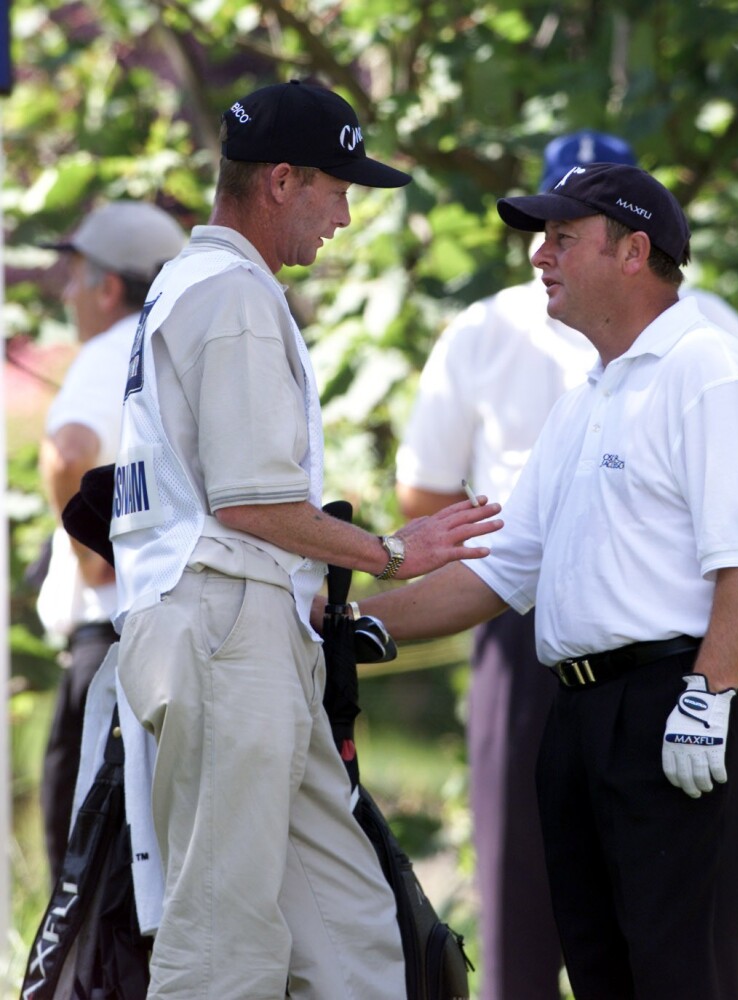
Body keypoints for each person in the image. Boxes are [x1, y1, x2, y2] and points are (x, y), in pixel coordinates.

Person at [346, 162, 738, 1000]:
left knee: (681, 977)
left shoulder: (710, 370)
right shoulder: (589, 396)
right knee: (602, 976)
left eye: (561, 238)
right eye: (537, 238)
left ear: (634, 252)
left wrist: (709, 698)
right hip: (583, 716)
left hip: (682, 704)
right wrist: (346, 627)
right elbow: (506, 571)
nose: (536, 257)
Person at [108, 80, 502, 1000]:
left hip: (234, 632)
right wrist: (393, 554)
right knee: (224, 949)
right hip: (226, 634)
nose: (345, 215)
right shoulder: (236, 295)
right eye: (338, 188)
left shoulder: (191, 282)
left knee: (355, 939)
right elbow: (251, 505)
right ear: (281, 180)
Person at [36, 201, 186, 883]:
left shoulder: (111, 349)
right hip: (175, 636)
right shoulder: (180, 346)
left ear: (107, 287)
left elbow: (69, 453)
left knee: (82, 875)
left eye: (73, 275)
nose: (64, 292)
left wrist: (91, 554)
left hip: (108, 642)